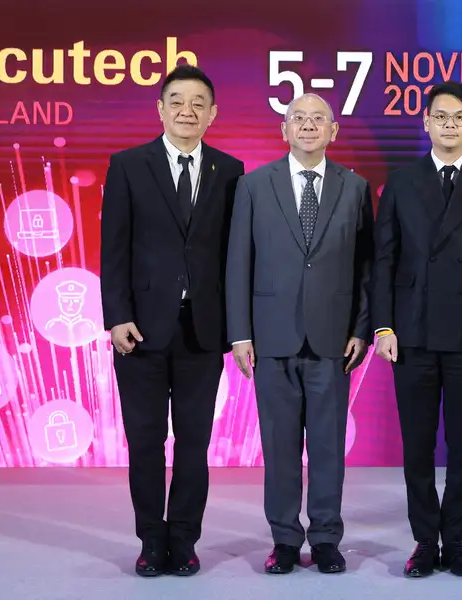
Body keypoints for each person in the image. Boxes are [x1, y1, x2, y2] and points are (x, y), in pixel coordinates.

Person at [100, 64, 245, 577]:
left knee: (194, 443)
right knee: (144, 442)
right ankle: (150, 540)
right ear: (160, 109)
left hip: (203, 330)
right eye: (177, 101)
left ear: (212, 113)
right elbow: (113, 248)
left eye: (198, 103)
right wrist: (116, 316)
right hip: (140, 331)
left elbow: (234, 255)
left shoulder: (230, 170)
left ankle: (183, 539)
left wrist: (238, 327)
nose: (188, 111)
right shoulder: (128, 165)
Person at [372, 80, 462, 578]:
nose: (449, 125)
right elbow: (384, 259)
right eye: (441, 117)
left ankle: (455, 541)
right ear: (426, 123)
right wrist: (383, 326)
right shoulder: (401, 182)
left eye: (458, 117)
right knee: (417, 445)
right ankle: (423, 540)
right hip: (410, 333)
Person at [225, 93, 373, 575]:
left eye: (318, 119)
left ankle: (326, 538)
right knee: (280, 446)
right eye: (298, 119)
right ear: (284, 130)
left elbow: (365, 266)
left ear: (333, 131)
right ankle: (285, 539)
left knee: (328, 447)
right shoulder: (253, 185)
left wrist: (361, 328)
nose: (308, 126)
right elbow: (238, 263)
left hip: (333, 339)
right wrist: (240, 334)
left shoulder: (355, 187)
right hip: (271, 337)